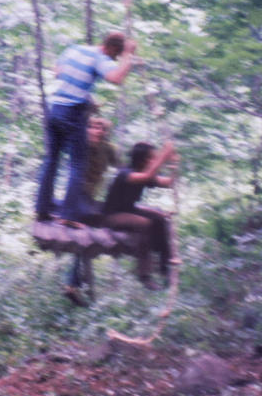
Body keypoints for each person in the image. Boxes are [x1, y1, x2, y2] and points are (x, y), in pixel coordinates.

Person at [35, 32, 137, 226]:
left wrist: (87, 97)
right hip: (72, 112)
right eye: (116, 56)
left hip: (54, 107)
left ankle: (41, 209)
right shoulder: (100, 57)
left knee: (51, 160)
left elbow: (57, 72)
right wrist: (128, 55)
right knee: (78, 164)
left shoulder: (74, 49)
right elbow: (116, 78)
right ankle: (69, 216)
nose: (114, 60)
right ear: (113, 49)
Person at [102, 142, 179, 290]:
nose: (155, 161)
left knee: (161, 219)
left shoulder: (144, 173)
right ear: (142, 160)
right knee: (144, 223)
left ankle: (164, 266)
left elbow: (169, 183)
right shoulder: (126, 173)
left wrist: (174, 167)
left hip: (130, 210)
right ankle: (144, 275)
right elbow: (146, 176)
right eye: (152, 158)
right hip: (112, 216)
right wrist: (165, 154)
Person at [64, 117, 120, 306]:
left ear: (105, 132)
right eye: (93, 127)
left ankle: (74, 284)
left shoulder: (108, 149)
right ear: (87, 129)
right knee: (84, 235)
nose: (97, 131)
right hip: (77, 196)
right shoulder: (81, 144)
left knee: (85, 239)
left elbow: (121, 169)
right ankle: (73, 283)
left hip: (91, 198)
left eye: (101, 128)